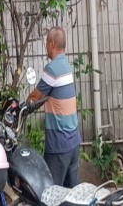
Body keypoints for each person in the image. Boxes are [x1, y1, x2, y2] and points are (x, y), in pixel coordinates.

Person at [27, 26, 82, 187]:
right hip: (73, 142)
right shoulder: (66, 65)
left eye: (46, 43)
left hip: (59, 144)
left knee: (50, 192)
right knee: (70, 193)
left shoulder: (52, 69)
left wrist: (26, 104)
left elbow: (35, 97)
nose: (46, 47)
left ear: (51, 44)